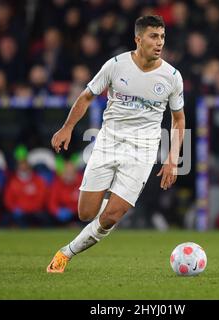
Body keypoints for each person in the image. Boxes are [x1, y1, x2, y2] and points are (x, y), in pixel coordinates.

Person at [46, 15, 185, 273]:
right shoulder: (116, 65)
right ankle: (104, 202)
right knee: (86, 213)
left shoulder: (172, 76)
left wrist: (172, 159)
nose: (160, 43)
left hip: (142, 152)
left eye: (163, 37)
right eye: (154, 36)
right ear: (138, 39)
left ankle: (66, 253)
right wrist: (67, 127)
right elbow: (87, 96)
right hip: (108, 143)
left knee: (111, 216)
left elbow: (179, 119)